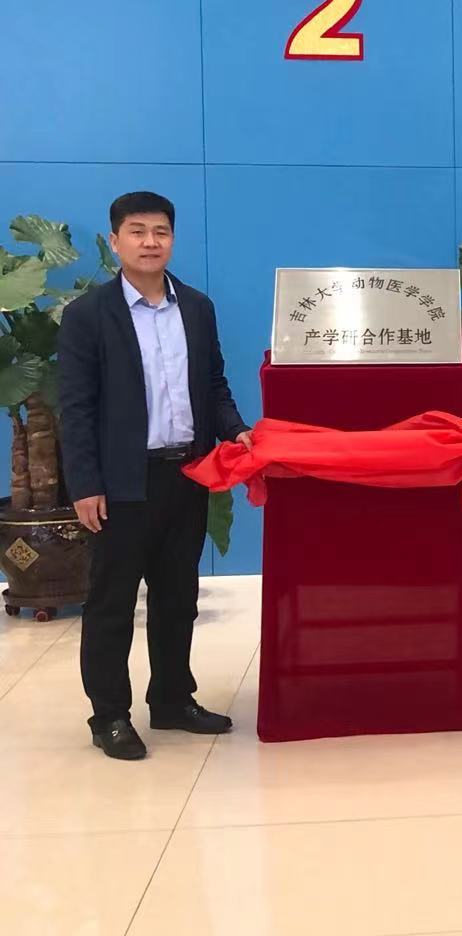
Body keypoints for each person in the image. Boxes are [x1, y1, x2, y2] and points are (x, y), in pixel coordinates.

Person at [58, 191, 253, 760]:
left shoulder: (196, 307)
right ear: (115, 240)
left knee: (177, 597)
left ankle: (171, 699)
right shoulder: (88, 315)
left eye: (161, 232)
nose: (150, 242)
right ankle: (109, 715)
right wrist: (85, 484)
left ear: (172, 239)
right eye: (137, 231)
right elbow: (76, 408)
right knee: (112, 602)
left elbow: (213, 384)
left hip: (186, 474)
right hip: (121, 482)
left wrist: (236, 430)